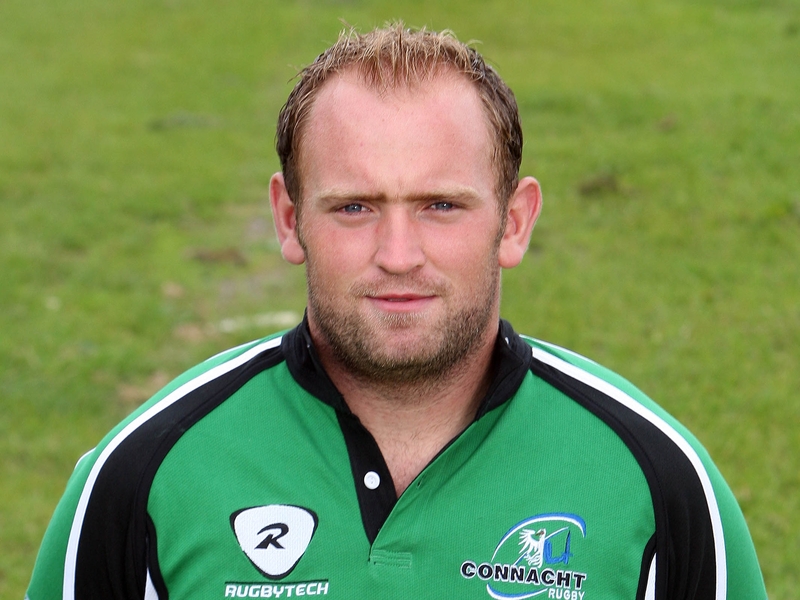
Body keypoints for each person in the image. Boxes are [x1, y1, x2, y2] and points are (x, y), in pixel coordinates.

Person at [27, 24, 766, 600]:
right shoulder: (142, 476)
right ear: (289, 219)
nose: (399, 254)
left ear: (514, 222)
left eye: (441, 205)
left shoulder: (658, 481)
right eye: (355, 207)